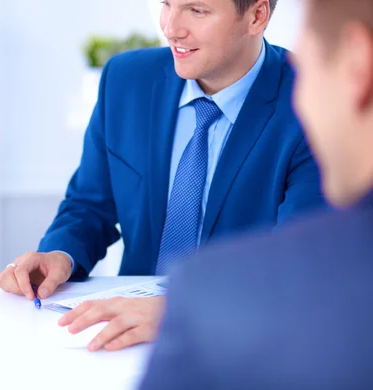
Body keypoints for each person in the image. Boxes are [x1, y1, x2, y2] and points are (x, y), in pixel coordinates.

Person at [0, 0, 326, 351]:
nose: (170, 27)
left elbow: (299, 265)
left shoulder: (315, 99)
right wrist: (60, 255)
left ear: (256, 16)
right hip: (123, 335)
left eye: (196, 11)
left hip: (241, 343)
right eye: (167, 3)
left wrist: (181, 311)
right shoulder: (125, 81)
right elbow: (89, 206)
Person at [139, 0, 373, 388]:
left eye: (308, 66)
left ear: (357, 64)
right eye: (165, 4)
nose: (171, 27)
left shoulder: (222, 298)